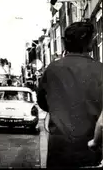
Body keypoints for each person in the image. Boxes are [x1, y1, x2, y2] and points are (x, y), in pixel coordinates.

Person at [37, 21, 103, 168]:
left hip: (60, 149)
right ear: (89, 42)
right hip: (91, 147)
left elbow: (42, 101)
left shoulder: (52, 69)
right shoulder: (100, 70)